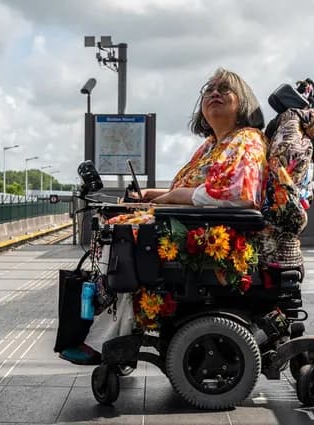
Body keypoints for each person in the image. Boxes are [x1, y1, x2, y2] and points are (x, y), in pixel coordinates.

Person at [59, 68, 269, 365]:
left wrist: (172, 198)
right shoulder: (212, 145)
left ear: (243, 102)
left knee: (122, 239)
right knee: (114, 230)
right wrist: (152, 195)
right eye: (208, 90)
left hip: (212, 231)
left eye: (225, 89)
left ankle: (105, 339)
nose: (214, 94)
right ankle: (103, 333)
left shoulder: (246, 140)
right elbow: (190, 189)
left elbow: (237, 194)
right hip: (190, 220)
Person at [258, 79, 314, 283]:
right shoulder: (308, 119)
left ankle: (273, 267)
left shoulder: (279, 122)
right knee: (287, 224)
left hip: (277, 185)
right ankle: (283, 268)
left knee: (277, 224)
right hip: (293, 187)